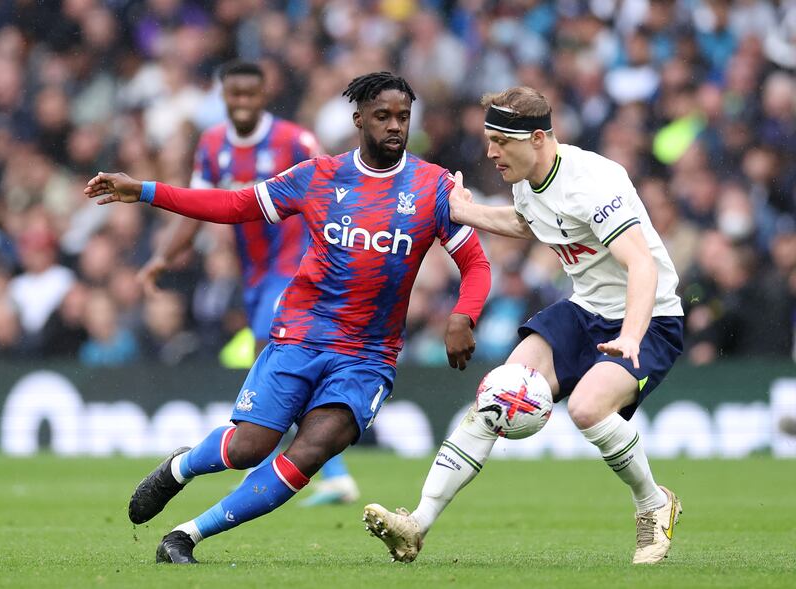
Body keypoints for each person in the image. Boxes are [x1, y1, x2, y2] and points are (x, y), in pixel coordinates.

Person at [84, 72, 491, 564]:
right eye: (382, 116)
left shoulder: (433, 186)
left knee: (311, 452)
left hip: (367, 356)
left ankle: (184, 537)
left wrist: (463, 315)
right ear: (358, 119)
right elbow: (235, 204)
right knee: (249, 447)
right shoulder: (319, 175)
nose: (394, 127)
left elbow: (476, 264)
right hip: (301, 336)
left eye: (402, 117)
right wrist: (145, 190)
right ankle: (181, 468)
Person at [363, 86, 685, 565]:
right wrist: (461, 209)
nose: (490, 152)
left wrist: (631, 336)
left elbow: (642, 265)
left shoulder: (594, 182)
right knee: (497, 394)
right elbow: (529, 222)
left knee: (588, 409)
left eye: (500, 141)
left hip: (649, 316)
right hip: (584, 310)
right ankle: (416, 525)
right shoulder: (528, 179)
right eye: (488, 139)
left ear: (537, 138)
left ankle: (654, 503)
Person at [138, 60, 358, 506]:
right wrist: (163, 256)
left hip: (297, 270)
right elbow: (200, 206)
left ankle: (279, 462)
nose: (241, 103)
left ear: (263, 96)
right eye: (233, 95)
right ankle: (327, 472)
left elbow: (336, 192)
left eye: (249, 95)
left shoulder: (295, 141)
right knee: (275, 366)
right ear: (223, 96)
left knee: (271, 353)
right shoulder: (213, 144)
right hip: (254, 274)